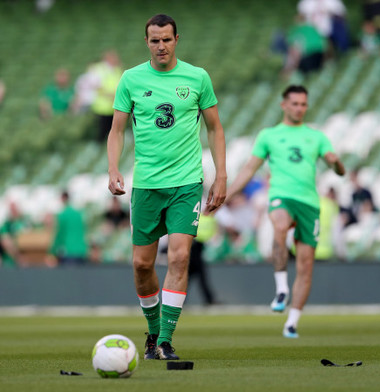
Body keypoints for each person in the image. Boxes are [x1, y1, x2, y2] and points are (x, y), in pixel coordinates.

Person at [107, 14, 227, 360]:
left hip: (186, 183)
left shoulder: (197, 77)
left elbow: (215, 128)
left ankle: (165, 341)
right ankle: (153, 331)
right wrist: (113, 167)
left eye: (167, 39)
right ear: (146, 42)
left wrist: (221, 175)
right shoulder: (130, 79)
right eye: (154, 40)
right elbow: (116, 130)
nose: (161, 45)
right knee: (142, 265)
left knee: (179, 256)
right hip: (146, 186)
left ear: (177, 39)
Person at [226, 85, 345, 338]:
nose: (299, 108)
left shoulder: (317, 137)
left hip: (310, 203)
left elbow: (339, 171)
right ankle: (281, 289)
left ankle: (292, 321)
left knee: (305, 265)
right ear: (284, 105)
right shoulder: (268, 135)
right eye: (295, 103)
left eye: (303, 104)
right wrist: (228, 194)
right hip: (282, 196)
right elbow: (249, 169)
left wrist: (337, 163)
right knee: (279, 226)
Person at [46, 191, 88, 266]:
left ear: (62, 199)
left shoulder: (62, 215)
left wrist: (51, 252)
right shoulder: (79, 214)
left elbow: (59, 235)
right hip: (82, 251)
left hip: (68, 252)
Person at [91, 50, 122, 142]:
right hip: (102, 107)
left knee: (113, 131)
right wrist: (110, 96)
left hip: (114, 107)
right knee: (102, 131)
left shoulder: (117, 70)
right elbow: (96, 86)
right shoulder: (98, 69)